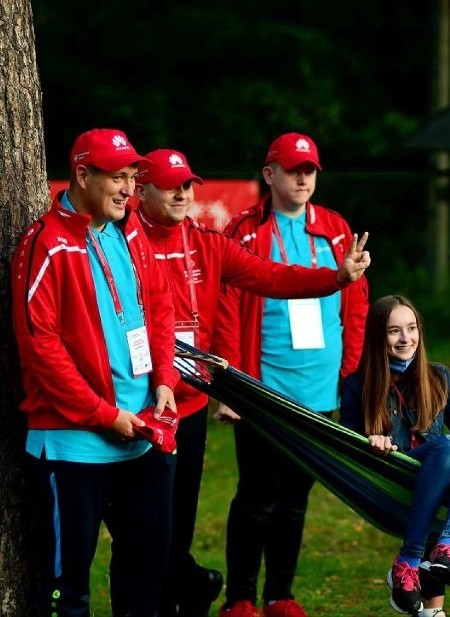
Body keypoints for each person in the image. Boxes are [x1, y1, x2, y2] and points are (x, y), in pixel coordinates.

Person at [134, 148, 371, 617]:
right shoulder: (123, 239)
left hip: (189, 401)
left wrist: (335, 279)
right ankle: (199, 588)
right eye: (171, 185)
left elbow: (272, 277)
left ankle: (188, 593)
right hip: (135, 398)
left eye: (187, 185)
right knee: (141, 517)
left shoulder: (206, 242)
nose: (182, 194)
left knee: (179, 515)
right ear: (141, 190)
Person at [11, 128, 180, 617]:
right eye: (118, 177)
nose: (129, 189)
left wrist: (165, 378)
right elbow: (40, 347)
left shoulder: (133, 233)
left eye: (133, 177)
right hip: (75, 444)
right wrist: (104, 414)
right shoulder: (46, 242)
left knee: (146, 580)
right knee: (68, 592)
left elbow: (161, 309)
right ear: (83, 175)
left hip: (143, 433)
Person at [212, 133, 370, 617]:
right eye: (293, 169)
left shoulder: (336, 229)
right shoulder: (245, 231)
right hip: (264, 388)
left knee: (296, 498)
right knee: (256, 496)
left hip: (318, 388)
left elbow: (357, 304)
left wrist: (349, 375)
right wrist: (232, 385)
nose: (303, 178)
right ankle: (240, 597)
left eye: (310, 170)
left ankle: (280, 594)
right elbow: (228, 306)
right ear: (269, 175)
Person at [339, 295, 450, 616]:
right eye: (394, 331)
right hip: (392, 477)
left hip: (437, 478)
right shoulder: (358, 386)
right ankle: (411, 557)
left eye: (411, 329)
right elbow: (346, 443)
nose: (405, 338)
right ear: (378, 336)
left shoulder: (439, 378)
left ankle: (445, 549)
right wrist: (370, 440)